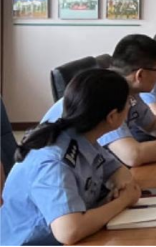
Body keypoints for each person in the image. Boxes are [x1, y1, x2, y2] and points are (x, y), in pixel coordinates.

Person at [1, 69, 141, 245]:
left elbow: (120, 173)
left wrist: (119, 191)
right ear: (112, 116)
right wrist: (122, 201)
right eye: (129, 102)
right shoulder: (55, 161)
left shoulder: (83, 138)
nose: (130, 107)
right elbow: (69, 231)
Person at [42, 35, 156, 167]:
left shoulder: (128, 89)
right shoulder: (105, 93)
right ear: (140, 75)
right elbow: (132, 155)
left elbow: (153, 124)